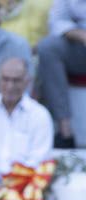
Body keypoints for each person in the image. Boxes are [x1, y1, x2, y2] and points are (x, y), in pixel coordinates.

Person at [35, 0, 86, 149]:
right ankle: (65, 132)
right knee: (47, 48)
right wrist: (82, 36)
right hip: (78, 46)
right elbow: (56, 22)